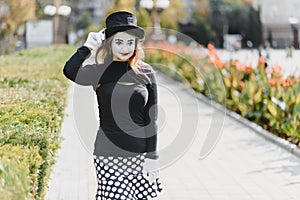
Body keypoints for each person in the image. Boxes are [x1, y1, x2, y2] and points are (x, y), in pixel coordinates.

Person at [63, 11, 163, 200]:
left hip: (140, 156)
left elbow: (152, 118)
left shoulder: (146, 73)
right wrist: (88, 46)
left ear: (136, 44)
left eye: (129, 42)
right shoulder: (99, 71)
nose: (125, 47)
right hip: (108, 156)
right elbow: (70, 70)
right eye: (118, 42)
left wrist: (152, 156)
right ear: (109, 43)